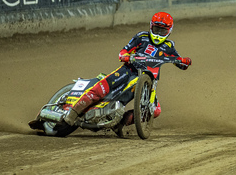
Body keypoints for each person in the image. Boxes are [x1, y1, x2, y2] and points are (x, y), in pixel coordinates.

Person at [63, 12, 191, 126]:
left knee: (155, 110)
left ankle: (121, 124)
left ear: (169, 31)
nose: (158, 34)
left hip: (149, 80)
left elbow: (179, 62)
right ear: (151, 26)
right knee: (101, 89)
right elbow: (124, 50)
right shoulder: (141, 37)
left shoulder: (169, 46)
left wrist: (184, 62)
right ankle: (73, 113)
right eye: (156, 29)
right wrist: (125, 56)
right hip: (129, 70)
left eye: (162, 31)